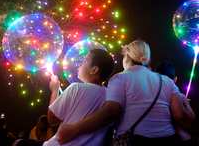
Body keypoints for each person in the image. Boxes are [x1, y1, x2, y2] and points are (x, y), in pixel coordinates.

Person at [56, 39, 198, 146]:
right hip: (168, 141)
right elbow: (180, 115)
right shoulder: (165, 81)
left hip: (134, 141)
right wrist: (195, 134)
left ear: (127, 58)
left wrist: (74, 129)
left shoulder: (120, 78)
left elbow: (110, 111)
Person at [13, 48, 114, 146]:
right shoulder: (110, 96)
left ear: (94, 70)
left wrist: (55, 90)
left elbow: (52, 120)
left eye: (84, 61)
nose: (79, 64)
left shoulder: (76, 88)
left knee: (17, 142)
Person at [154, 61, 196, 146]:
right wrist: (183, 105)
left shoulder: (153, 98)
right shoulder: (181, 97)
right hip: (184, 139)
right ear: (175, 79)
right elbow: (193, 118)